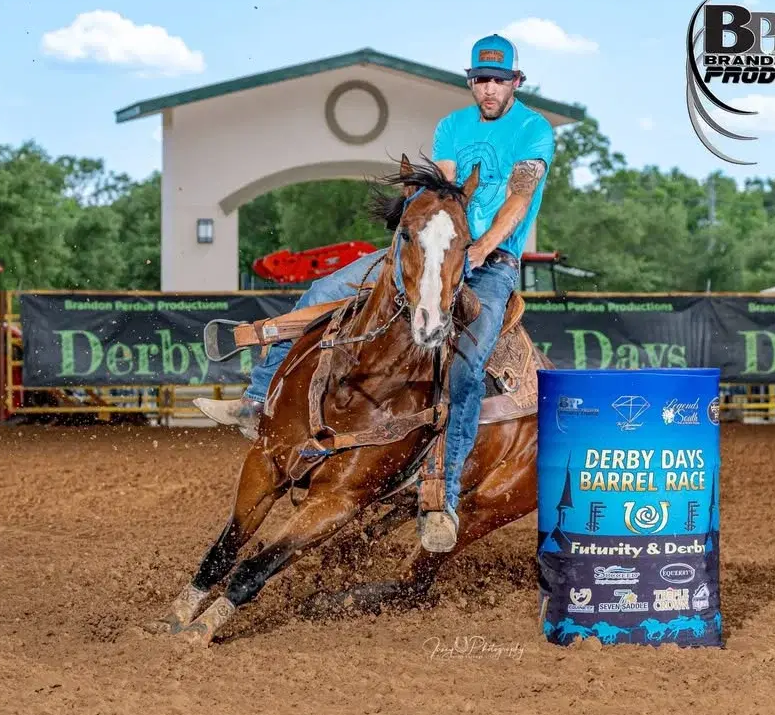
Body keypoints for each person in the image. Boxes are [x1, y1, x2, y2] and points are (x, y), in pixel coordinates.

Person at [194, 33, 555, 552]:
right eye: (481, 80)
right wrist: (431, 236)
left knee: (467, 369)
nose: (489, 89)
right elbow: (442, 192)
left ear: (516, 82)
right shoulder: (452, 127)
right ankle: (257, 398)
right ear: (470, 81)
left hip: (489, 262)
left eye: (499, 80)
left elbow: (519, 197)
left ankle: (443, 497)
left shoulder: (532, 130)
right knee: (325, 288)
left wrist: (482, 247)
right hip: (432, 248)